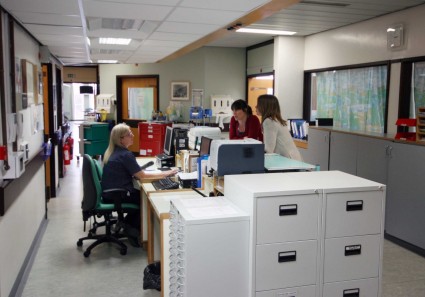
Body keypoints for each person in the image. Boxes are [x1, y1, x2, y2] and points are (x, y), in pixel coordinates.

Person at [101, 123, 178, 246]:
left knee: (142, 195)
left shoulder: (114, 151)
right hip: (117, 194)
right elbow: (142, 176)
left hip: (110, 192)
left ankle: (127, 223)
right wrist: (166, 174)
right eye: (129, 134)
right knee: (147, 199)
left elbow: (136, 173)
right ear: (121, 139)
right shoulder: (125, 155)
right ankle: (131, 228)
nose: (132, 135)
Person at [256, 94, 303, 161]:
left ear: (264, 106)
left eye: (258, 104)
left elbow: (268, 150)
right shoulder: (275, 120)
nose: (256, 107)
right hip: (293, 159)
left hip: (288, 161)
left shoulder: (269, 121)